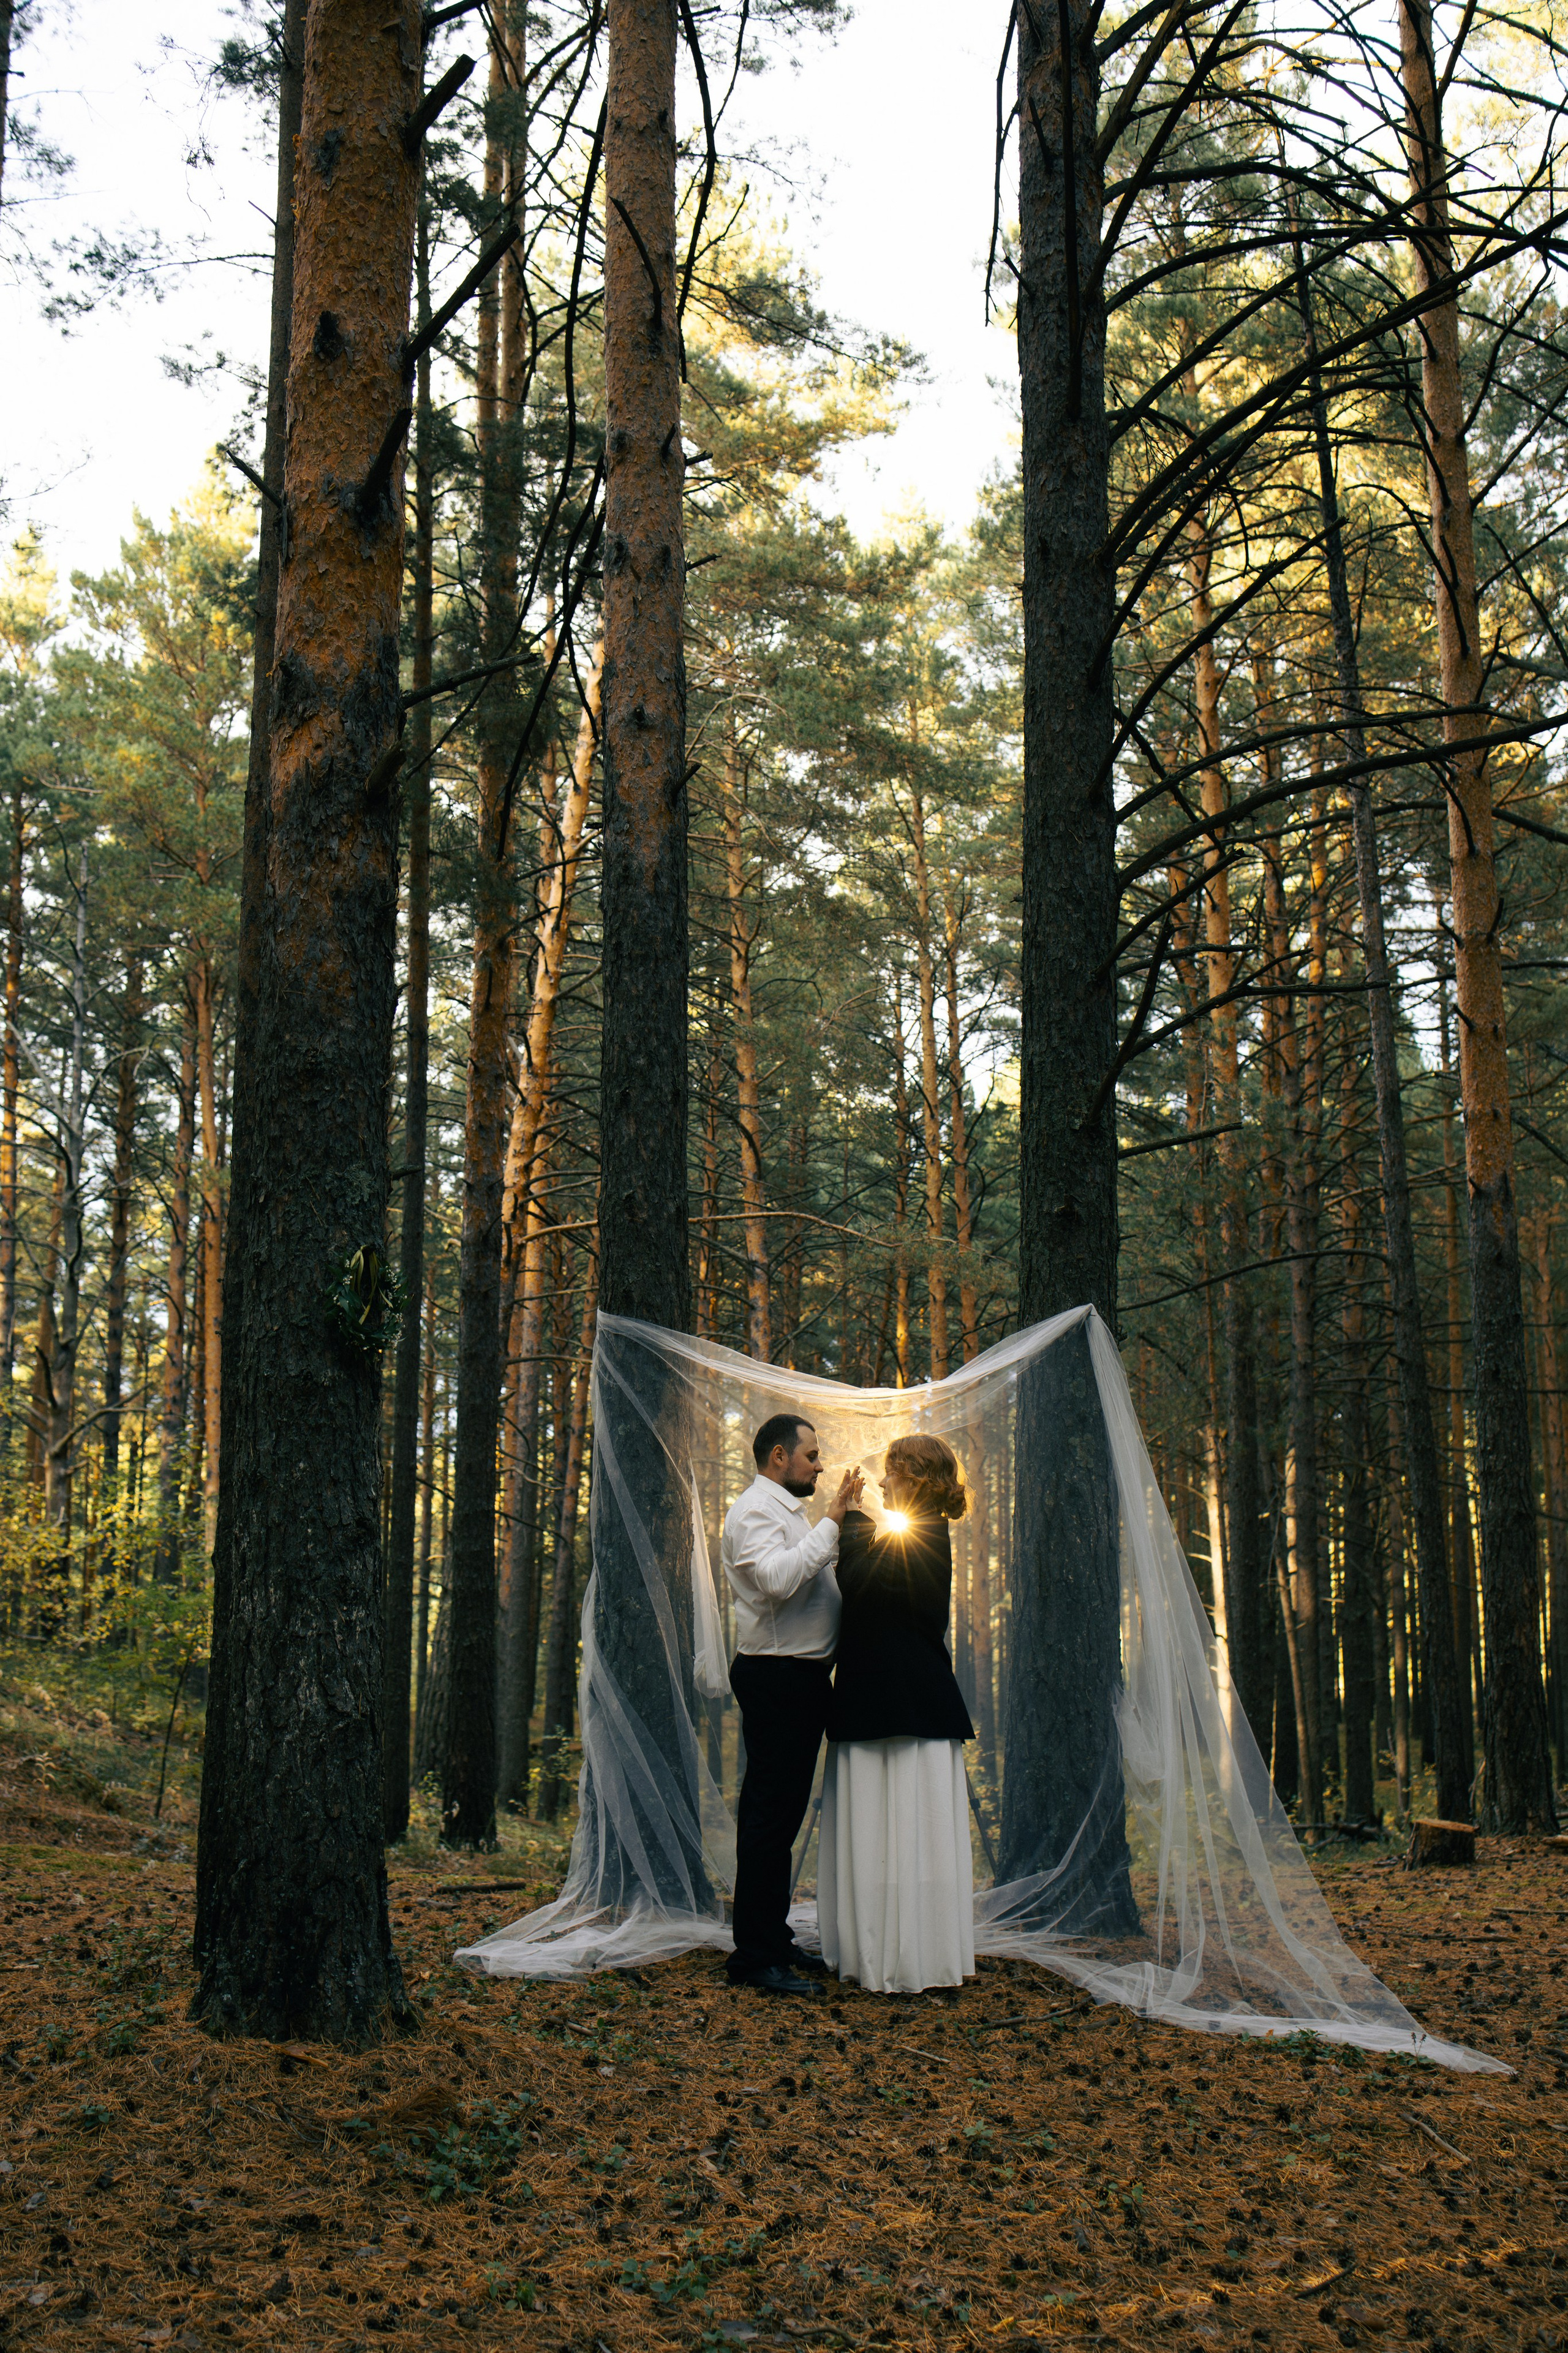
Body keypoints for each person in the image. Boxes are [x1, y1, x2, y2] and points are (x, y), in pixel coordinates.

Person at [820, 1432, 976, 1994]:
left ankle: (914, 1956)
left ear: (915, 1477)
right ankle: (883, 1949)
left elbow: (860, 1586)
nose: (883, 1482)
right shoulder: (911, 1535)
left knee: (910, 1831)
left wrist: (852, 1521)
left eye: (892, 1471)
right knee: (885, 1832)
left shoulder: (923, 1534)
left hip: (909, 1704)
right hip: (880, 1702)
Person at [721, 1414, 863, 1995]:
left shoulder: (782, 1510)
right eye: (811, 1455)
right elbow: (778, 1581)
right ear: (778, 1456)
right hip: (778, 1679)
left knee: (780, 1818)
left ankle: (771, 1939)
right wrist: (831, 1522)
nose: (820, 1465)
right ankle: (755, 1958)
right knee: (769, 1820)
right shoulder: (755, 1510)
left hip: (800, 1682)